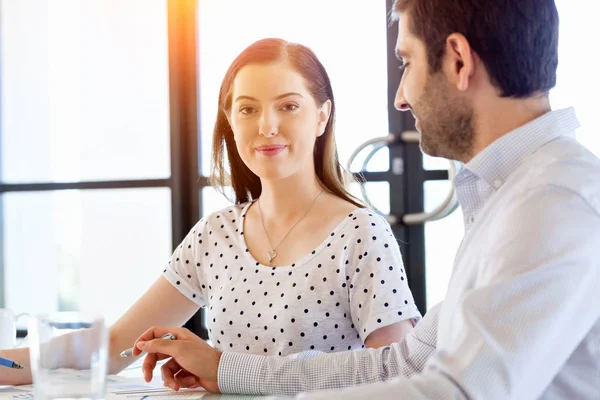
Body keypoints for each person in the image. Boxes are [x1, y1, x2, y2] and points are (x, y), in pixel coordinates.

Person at [131, 0, 600, 399]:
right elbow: (404, 363)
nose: (400, 96)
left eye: (407, 63)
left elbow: (457, 392)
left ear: (457, 60)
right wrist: (227, 371)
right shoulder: (510, 198)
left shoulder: (555, 200)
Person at [0, 38, 420, 387]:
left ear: (321, 117)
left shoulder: (361, 234)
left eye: (289, 106)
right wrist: (4, 364)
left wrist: (224, 371)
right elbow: (111, 350)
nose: (266, 125)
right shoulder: (214, 235)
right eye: (248, 109)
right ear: (230, 122)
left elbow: (396, 377)